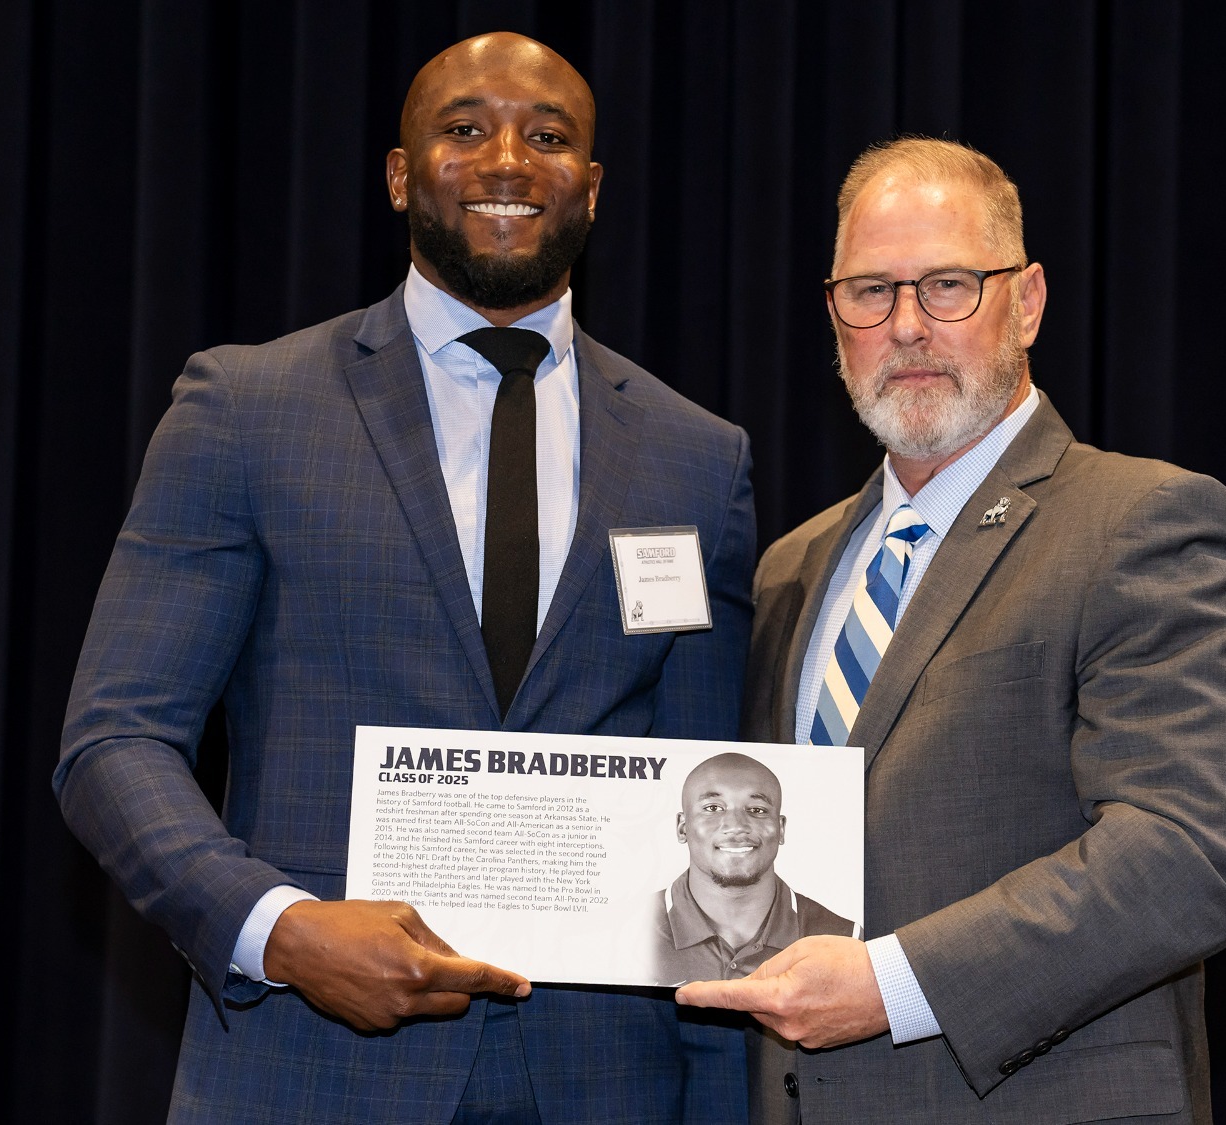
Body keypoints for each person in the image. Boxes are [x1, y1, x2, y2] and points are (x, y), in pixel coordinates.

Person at [55, 33, 755, 1124]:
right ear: (398, 174)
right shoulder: (248, 409)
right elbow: (114, 741)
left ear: (592, 187)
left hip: (605, 1082)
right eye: (465, 129)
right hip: (311, 1067)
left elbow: (707, 782)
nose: (508, 161)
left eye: (548, 137)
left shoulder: (696, 457)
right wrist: (282, 931)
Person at [677, 138, 1226, 1123]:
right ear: (833, 315)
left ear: (1027, 302)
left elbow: (1188, 853)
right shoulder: (789, 568)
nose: (907, 325)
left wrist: (894, 985)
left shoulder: (1144, 522)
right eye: (870, 292)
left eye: (948, 285)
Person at [654, 753, 857, 984]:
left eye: (757, 810)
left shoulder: (845, 940)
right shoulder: (625, 929)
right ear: (682, 827)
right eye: (713, 808)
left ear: (781, 828)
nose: (736, 826)